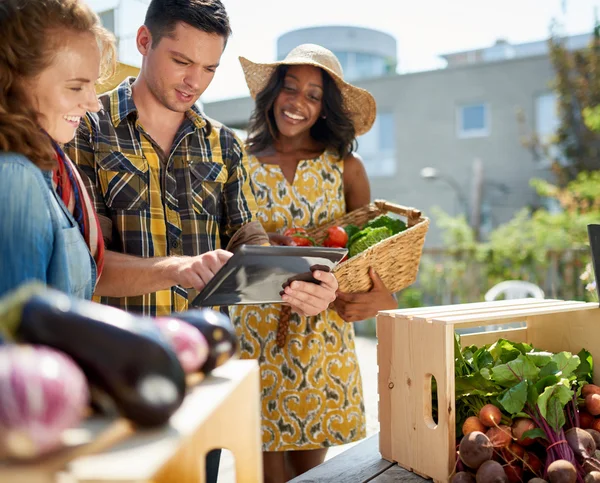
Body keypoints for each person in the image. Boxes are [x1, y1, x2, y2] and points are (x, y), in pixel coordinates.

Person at [64, 2, 339, 481]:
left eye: (210, 68)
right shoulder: (85, 126)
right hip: (114, 372)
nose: (195, 81)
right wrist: (175, 268)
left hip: (202, 374)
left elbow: (247, 240)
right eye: (181, 61)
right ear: (145, 42)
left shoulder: (223, 144)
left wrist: (303, 283)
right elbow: (87, 268)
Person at [232, 44, 399, 482]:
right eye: (290, 88)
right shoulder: (236, 161)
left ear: (326, 108)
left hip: (321, 342)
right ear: (272, 93)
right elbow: (221, 243)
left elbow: (366, 256)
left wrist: (377, 296)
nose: (298, 103)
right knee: (262, 475)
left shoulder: (346, 167)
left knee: (310, 478)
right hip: (254, 339)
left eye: (313, 94)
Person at [0, 0, 115, 299]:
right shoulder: (16, 175)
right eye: (76, 87)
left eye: (93, 85)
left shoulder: (47, 169)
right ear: (14, 81)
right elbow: (16, 337)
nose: (94, 104)